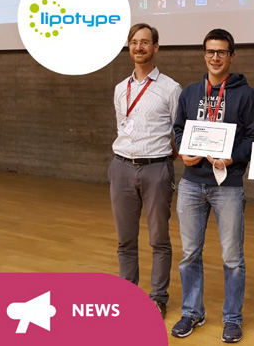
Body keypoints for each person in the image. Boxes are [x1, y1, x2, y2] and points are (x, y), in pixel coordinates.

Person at [171, 29, 254, 343]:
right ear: (204, 54)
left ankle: (232, 319)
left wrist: (233, 158)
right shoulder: (190, 93)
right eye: (210, 51)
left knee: (232, 258)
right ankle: (192, 312)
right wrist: (184, 151)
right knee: (189, 254)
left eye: (222, 52)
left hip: (228, 185)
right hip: (192, 184)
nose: (215, 57)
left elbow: (253, 137)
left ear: (232, 56)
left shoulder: (246, 95)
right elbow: (179, 129)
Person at [109, 23, 181, 319]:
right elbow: (122, 127)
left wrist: (162, 160)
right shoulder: (120, 88)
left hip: (156, 170)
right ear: (129, 47)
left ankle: (158, 297)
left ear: (156, 48)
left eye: (145, 42)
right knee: (125, 240)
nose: (139, 47)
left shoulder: (170, 88)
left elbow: (178, 132)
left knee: (159, 239)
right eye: (134, 42)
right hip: (121, 168)